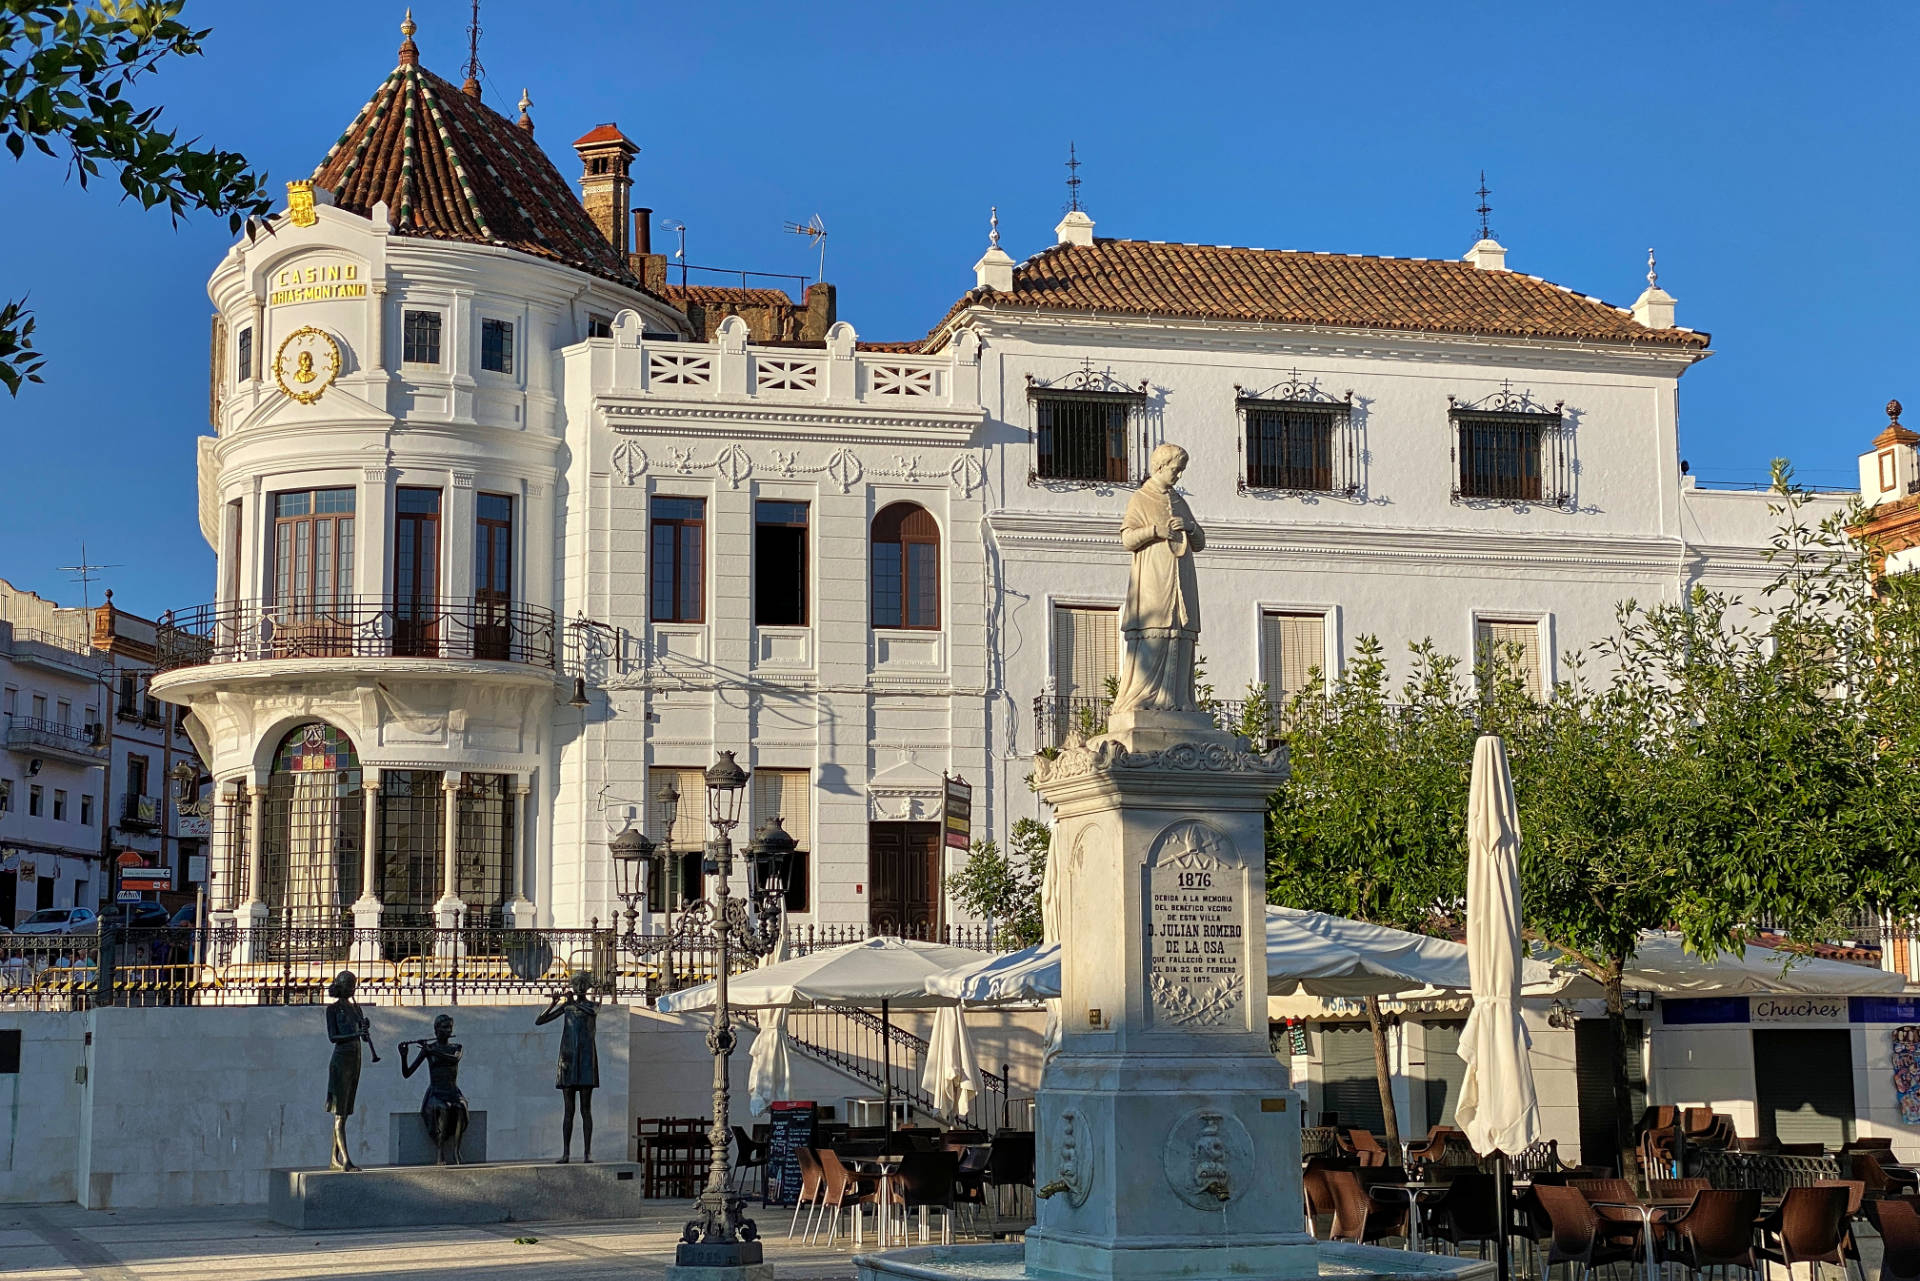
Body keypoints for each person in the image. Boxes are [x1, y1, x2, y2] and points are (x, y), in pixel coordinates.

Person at [1109, 442, 1206, 723]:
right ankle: (1143, 697)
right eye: (1175, 470)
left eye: (1181, 471)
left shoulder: (1179, 501)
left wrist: (1190, 527)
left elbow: (1199, 542)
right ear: (1160, 467)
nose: (1178, 476)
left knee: (1180, 632)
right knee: (1155, 632)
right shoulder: (1140, 498)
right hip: (1153, 580)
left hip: (1182, 579)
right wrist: (1154, 531)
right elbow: (1127, 539)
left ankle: (1178, 699)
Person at [535, 971, 600, 1162]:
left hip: (587, 1061)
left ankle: (587, 1153)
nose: (578, 987)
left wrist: (573, 1002)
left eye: (582, 983)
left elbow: (592, 1011)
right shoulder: (568, 1006)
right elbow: (539, 1021)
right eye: (576, 983)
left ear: (587, 986)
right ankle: (566, 1152)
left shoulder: (591, 1005)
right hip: (569, 1060)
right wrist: (554, 1003)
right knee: (568, 1110)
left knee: (586, 1109)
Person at [401, 1014, 469, 1164]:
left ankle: (456, 1151)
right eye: (444, 1027)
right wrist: (403, 1056)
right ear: (436, 1030)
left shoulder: (456, 1047)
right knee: (443, 1109)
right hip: (436, 1093)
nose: (448, 1030)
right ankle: (440, 1152)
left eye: (450, 1027)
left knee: (460, 1108)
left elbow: (454, 1059)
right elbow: (407, 1073)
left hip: (453, 1092)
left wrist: (433, 1052)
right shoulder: (428, 1049)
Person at [325, 970, 371, 1171]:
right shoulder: (332, 1010)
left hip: (355, 1059)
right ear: (342, 986)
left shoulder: (356, 1009)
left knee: (344, 1111)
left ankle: (334, 1158)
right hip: (341, 1060)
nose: (353, 988)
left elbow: (364, 1038)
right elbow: (333, 1037)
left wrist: (364, 1030)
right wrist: (355, 1033)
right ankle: (345, 1160)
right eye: (350, 984)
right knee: (340, 1113)